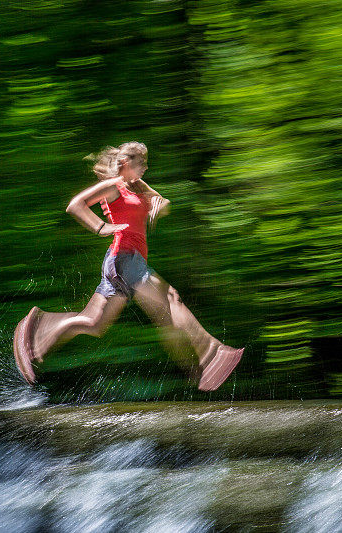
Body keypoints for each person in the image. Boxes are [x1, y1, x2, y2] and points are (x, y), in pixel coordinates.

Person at [13, 141, 243, 391]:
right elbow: (75, 205)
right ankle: (211, 354)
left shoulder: (136, 188)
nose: (145, 167)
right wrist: (101, 227)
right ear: (125, 163)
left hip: (123, 262)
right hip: (125, 258)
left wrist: (157, 201)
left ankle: (36, 334)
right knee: (169, 299)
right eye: (141, 162)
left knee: (94, 324)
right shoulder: (113, 187)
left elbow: (164, 204)